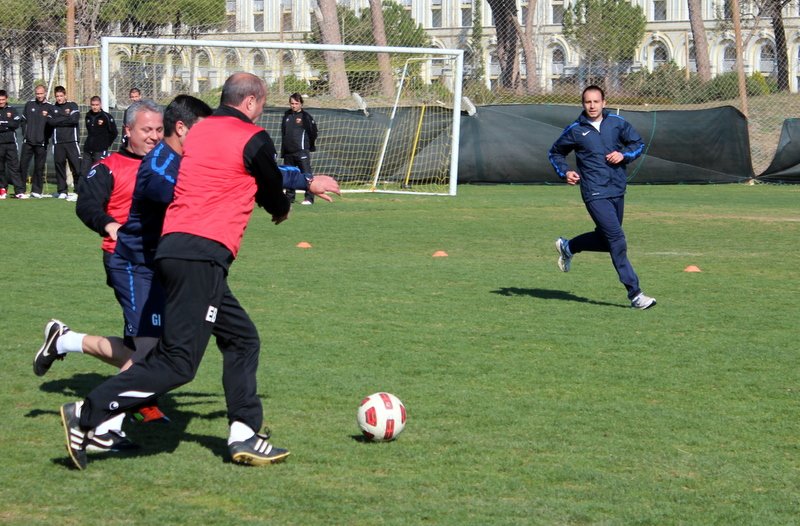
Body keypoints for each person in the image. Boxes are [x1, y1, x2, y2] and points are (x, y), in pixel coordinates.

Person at [59, 72, 340, 470]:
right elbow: (268, 179)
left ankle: (244, 433)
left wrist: (298, 184)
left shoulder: (200, 134)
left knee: (242, 339)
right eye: (260, 103)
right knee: (177, 363)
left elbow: (246, 176)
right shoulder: (250, 136)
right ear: (251, 103)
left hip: (175, 253)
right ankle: (89, 413)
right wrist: (281, 207)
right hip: (195, 256)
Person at [35, 100, 165, 451]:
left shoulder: (168, 163)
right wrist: (109, 224)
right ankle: (105, 423)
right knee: (149, 347)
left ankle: (63, 340)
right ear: (127, 131)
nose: (154, 137)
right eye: (146, 130)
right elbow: (86, 204)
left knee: (141, 347)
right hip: (126, 262)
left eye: (158, 130)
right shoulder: (108, 168)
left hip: (160, 263)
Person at [548, 85, 656, 310]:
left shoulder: (617, 123)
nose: (592, 106)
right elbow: (555, 152)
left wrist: (623, 155)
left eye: (596, 101)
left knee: (607, 240)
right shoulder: (576, 130)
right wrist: (565, 172)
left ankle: (568, 247)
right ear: (583, 104)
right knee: (617, 239)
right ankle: (635, 294)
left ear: (604, 102)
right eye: (588, 102)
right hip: (594, 192)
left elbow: (638, 144)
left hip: (616, 189)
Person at [282, 92, 318, 205]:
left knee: (306, 174)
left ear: (301, 104)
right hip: (288, 152)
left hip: (301, 151)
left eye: (296, 103)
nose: (294, 105)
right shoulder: (287, 115)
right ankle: (289, 198)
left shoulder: (306, 117)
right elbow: (284, 132)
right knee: (289, 176)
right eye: (292, 103)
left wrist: (307, 146)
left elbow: (313, 133)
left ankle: (309, 198)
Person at [80, 95, 118, 197]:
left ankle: (100, 192)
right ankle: (83, 192)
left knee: (99, 171)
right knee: (84, 170)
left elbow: (114, 132)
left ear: (100, 105)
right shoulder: (88, 115)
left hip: (100, 149)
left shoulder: (106, 117)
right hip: (88, 148)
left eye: (97, 105)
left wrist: (106, 144)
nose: (95, 107)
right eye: (93, 105)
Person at [48, 86, 81, 199]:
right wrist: (66, 117)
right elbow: (51, 122)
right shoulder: (52, 108)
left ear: (65, 95)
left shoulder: (73, 105)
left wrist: (59, 119)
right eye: (57, 96)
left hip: (72, 141)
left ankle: (78, 189)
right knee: (59, 166)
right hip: (58, 142)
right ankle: (62, 190)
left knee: (76, 166)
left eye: (61, 96)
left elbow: (74, 120)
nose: (59, 98)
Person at [19, 84, 51, 198]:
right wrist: (25, 134)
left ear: (45, 93)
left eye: (41, 93)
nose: (39, 96)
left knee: (39, 167)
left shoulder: (49, 107)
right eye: (37, 94)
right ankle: (20, 189)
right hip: (28, 141)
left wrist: (46, 137)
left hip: (41, 142)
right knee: (23, 165)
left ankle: (36, 190)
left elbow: (52, 124)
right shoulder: (29, 104)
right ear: (35, 93)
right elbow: (23, 121)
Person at [0, 89, 24, 199]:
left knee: (14, 167)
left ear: (6, 99)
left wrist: (3, 123)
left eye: (3, 100)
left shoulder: (12, 110)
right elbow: (10, 124)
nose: (1, 102)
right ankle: (2, 190)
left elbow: (16, 123)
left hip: (11, 143)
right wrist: (7, 125)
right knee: (0, 168)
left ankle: (19, 191)